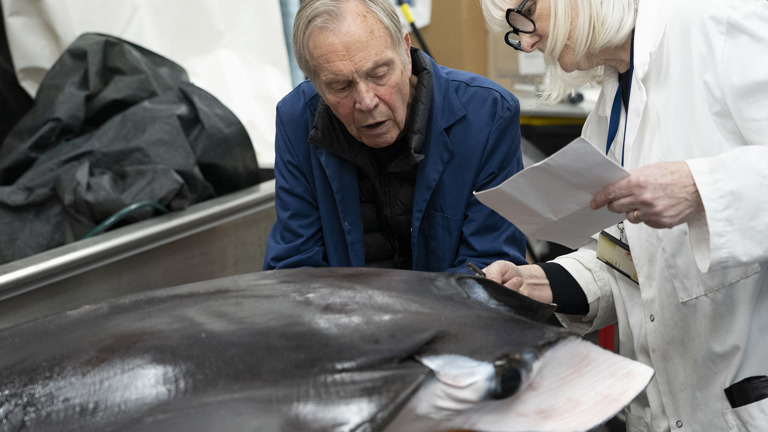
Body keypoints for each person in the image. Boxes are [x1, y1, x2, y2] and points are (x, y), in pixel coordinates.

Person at [480, 0, 768, 430]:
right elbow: (638, 258)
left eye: (524, 12)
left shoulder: (721, 23)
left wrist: (699, 189)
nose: (524, 42)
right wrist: (548, 283)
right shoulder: (613, 104)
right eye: (512, 29)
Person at [264, 0, 528, 272]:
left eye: (379, 74)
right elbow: (293, 269)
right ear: (314, 82)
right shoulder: (297, 119)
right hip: (344, 313)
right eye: (340, 86)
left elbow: (491, 268)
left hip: (451, 313)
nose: (366, 102)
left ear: (405, 47)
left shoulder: (487, 115)